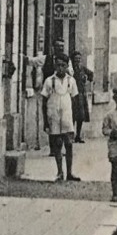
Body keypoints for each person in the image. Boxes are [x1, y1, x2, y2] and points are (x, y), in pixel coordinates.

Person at [40, 47, 80, 181]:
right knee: (57, 143)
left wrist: (73, 119)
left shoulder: (71, 81)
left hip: (67, 116)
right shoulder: (49, 81)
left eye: (63, 65)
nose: (60, 68)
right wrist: (45, 121)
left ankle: (69, 172)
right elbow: (44, 102)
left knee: (69, 144)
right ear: (55, 66)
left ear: (67, 66)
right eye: (58, 65)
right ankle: (59, 172)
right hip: (54, 116)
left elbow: (74, 101)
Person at [72, 50, 94, 143]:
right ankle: (71, 135)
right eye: (76, 59)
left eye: (79, 59)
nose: (77, 61)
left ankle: (78, 135)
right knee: (72, 116)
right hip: (73, 95)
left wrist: (87, 79)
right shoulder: (71, 69)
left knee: (80, 116)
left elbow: (91, 74)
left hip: (81, 94)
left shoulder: (82, 68)